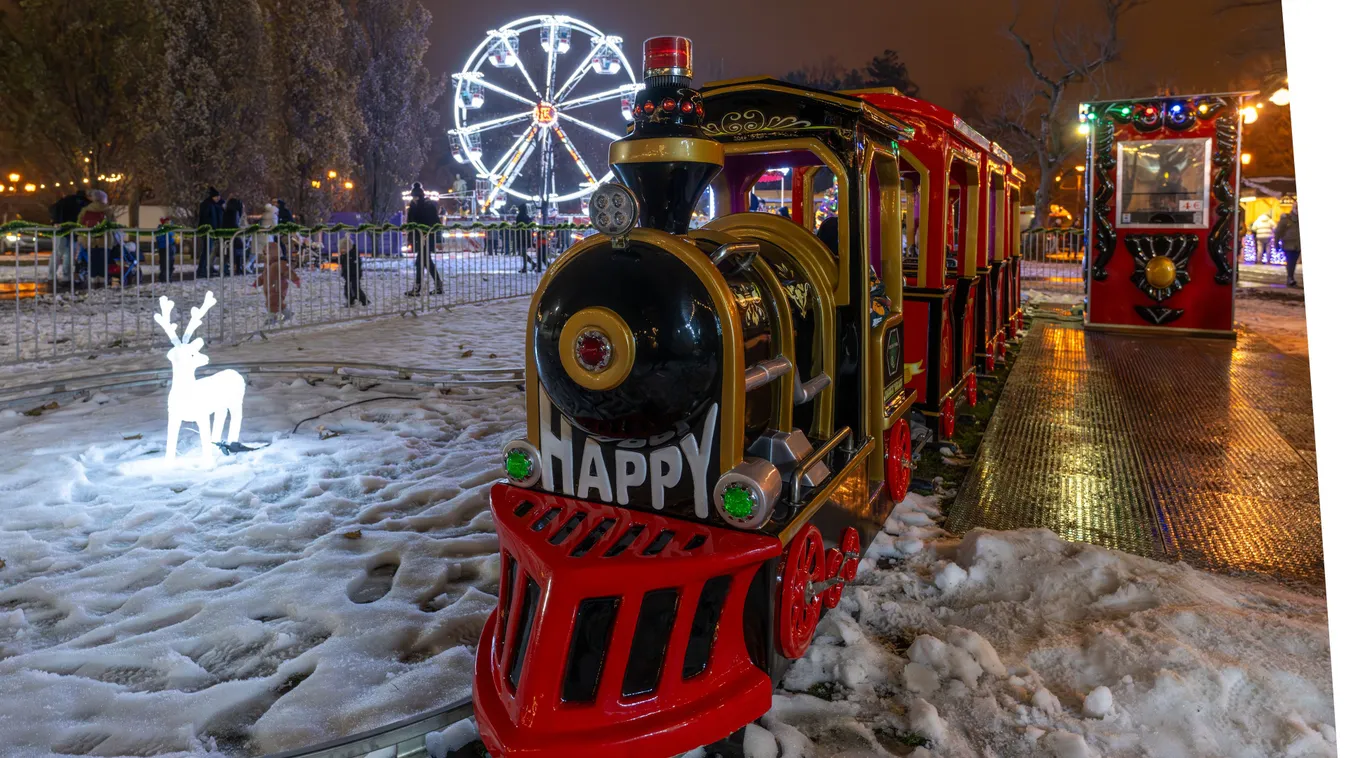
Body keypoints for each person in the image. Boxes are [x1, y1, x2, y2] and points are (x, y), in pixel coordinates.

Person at [405, 182, 443, 296]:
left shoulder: (426, 205)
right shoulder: (413, 206)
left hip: (426, 238)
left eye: (417, 197)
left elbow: (435, 223)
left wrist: (436, 238)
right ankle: (438, 285)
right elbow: (410, 223)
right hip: (420, 238)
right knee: (427, 263)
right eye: (414, 197)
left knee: (420, 263)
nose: (415, 199)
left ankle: (417, 288)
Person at [48, 189, 88, 285]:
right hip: (71, 231)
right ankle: (67, 277)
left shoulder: (65, 201)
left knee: (58, 253)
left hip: (60, 229)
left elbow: (53, 208)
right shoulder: (84, 203)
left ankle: (52, 277)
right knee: (69, 255)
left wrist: (56, 221)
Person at [253, 242, 300, 324]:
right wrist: (257, 282)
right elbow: (263, 276)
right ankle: (287, 314)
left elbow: (288, 272)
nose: (265, 256)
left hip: (278, 286)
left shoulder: (280, 263)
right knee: (277, 303)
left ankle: (271, 318)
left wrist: (295, 279)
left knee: (272, 302)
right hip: (270, 287)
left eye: (266, 254)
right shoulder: (268, 266)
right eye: (264, 254)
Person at [197, 187, 224, 278]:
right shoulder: (208, 205)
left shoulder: (213, 205)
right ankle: (202, 269)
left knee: (209, 250)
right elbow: (206, 218)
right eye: (216, 197)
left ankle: (204, 268)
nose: (218, 198)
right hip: (209, 231)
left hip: (212, 231)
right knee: (207, 250)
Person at [337, 236, 368, 307]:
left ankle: (364, 301)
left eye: (343, 249)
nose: (342, 251)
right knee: (347, 289)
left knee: (355, 288)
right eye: (341, 249)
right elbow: (343, 262)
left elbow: (356, 264)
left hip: (354, 274)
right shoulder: (345, 255)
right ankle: (351, 301)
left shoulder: (353, 254)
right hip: (347, 274)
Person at [1275, 201, 1301, 287]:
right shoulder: (1286, 219)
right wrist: (1276, 243)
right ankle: (1290, 278)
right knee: (1291, 262)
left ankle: (1290, 277)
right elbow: (1278, 232)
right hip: (1288, 244)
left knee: (1292, 262)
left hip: (1298, 244)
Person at [223, 197, 246, 276]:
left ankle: (232, 267)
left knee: (229, 251)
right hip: (232, 234)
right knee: (239, 248)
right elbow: (234, 224)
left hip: (226, 234)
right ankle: (238, 267)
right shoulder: (234, 212)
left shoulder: (226, 212)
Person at [155, 217, 179, 283]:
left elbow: (175, 237)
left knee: (171, 262)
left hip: (171, 247)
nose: (168, 223)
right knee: (164, 263)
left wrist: (175, 239)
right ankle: (164, 277)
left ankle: (169, 276)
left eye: (169, 222)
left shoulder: (172, 229)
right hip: (163, 248)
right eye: (167, 222)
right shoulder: (161, 229)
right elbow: (159, 238)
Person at [515, 204, 535, 272]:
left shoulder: (519, 216)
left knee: (522, 252)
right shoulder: (527, 216)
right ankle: (527, 266)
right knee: (523, 252)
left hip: (521, 236)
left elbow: (518, 226)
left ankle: (529, 265)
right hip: (527, 236)